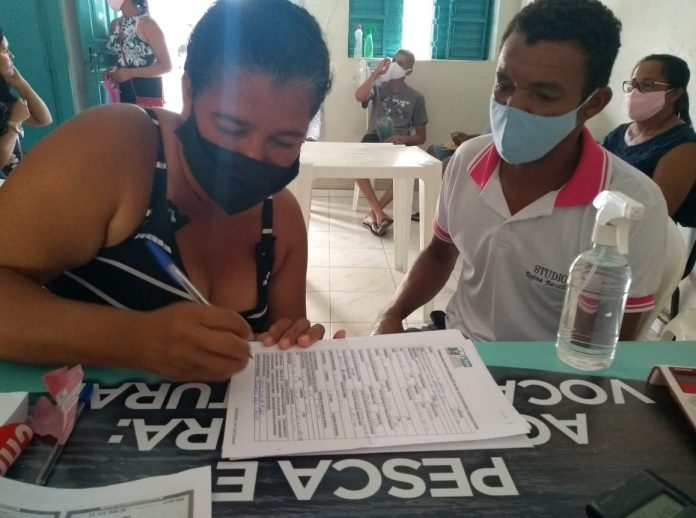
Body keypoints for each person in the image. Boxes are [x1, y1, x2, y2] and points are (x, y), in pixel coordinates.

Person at [0, 0, 336, 382]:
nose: (252, 156)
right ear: (189, 92)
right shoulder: (116, 149)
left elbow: (280, 355)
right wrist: (136, 339)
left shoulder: (281, 224)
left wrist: (296, 346)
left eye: (285, 139)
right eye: (231, 127)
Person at [373, 0, 668, 342]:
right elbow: (440, 254)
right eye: (504, 84)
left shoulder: (630, 206)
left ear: (594, 104)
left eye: (543, 95)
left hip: (546, 379)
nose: (514, 106)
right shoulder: (467, 160)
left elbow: (614, 344)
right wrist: (391, 315)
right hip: (457, 344)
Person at [602, 54, 696, 274]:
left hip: (637, 248)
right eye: (633, 84)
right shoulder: (619, 134)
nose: (635, 92)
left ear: (675, 94)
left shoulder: (684, 147)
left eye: (646, 86)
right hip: (601, 227)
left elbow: (652, 219)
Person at [354, 49, 428, 236]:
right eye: (394, 60)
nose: (395, 65)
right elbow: (359, 96)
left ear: (409, 71)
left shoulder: (416, 97)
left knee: (407, 172)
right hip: (374, 138)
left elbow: (421, 136)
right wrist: (377, 73)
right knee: (355, 164)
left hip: (399, 143)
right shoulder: (378, 88)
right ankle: (379, 213)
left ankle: (373, 214)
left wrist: (404, 139)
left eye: (400, 63)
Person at [0, 27, 52, 178]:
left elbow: (44, 119)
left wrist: (20, 83)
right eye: (5, 51)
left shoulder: (3, 97)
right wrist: (14, 122)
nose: (11, 55)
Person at [105, 0, 172, 107]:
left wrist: (130, 73)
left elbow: (167, 66)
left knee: (144, 123)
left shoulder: (147, 24)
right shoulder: (114, 25)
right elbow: (121, 58)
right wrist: (113, 71)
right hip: (124, 92)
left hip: (147, 92)